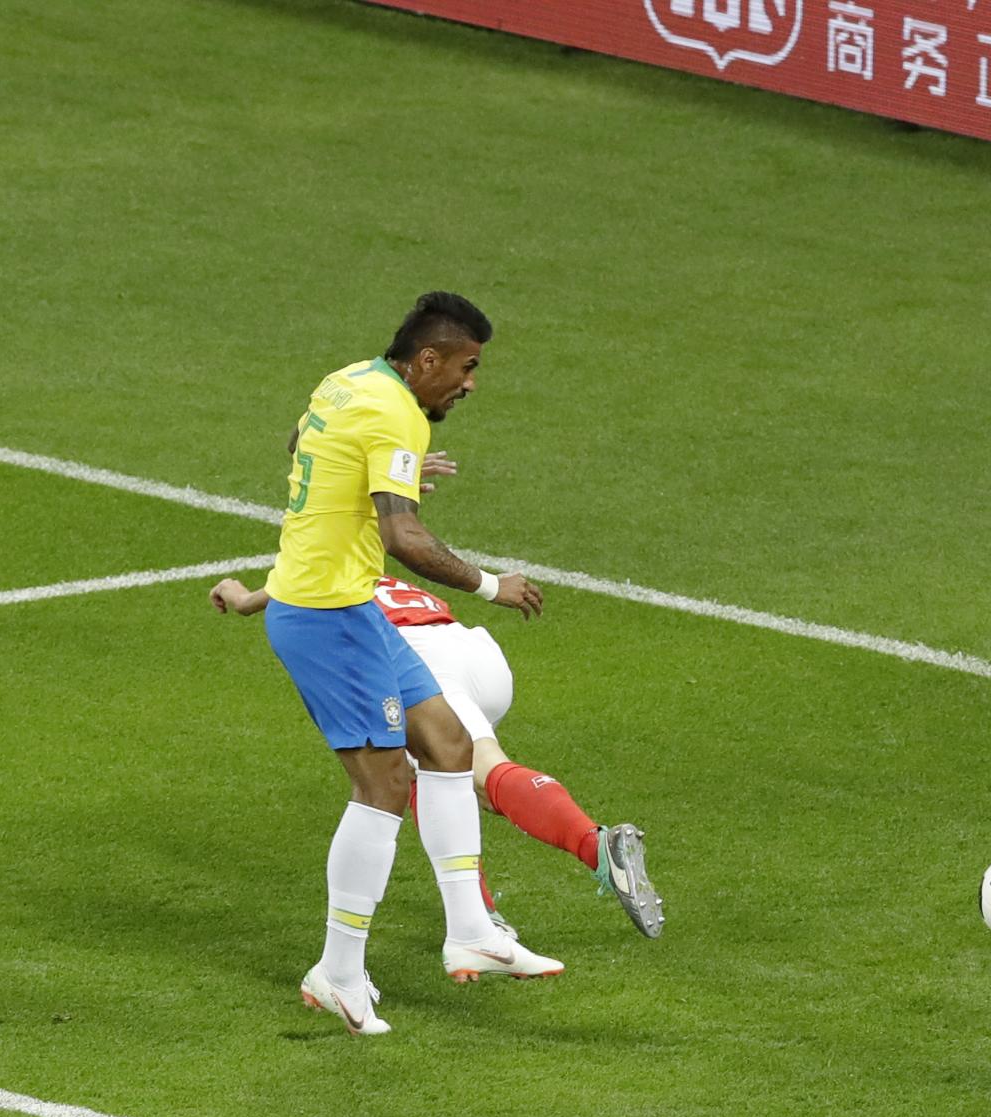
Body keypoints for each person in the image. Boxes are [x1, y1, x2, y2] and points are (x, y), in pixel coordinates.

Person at [256, 291, 553, 1036]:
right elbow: (406, 540)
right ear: (426, 359)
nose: (470, 382)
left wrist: (373, 476)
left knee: (449, 744)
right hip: (325, 617)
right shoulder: (398, 414)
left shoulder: (348, 379)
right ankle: (339, 972)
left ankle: (471, 931)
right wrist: (492, 585)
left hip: (348, 604)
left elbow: (300, 442)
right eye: (465, 366)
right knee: (384, 785)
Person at [212, 571, 662, 941]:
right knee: (434, 774)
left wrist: (237, 593)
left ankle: (597, 844)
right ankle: (480, 914)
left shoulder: (318, 554)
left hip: (419, 660)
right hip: (472, 651)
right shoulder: (365, 553)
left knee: (474, 770)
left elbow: (271, 595)